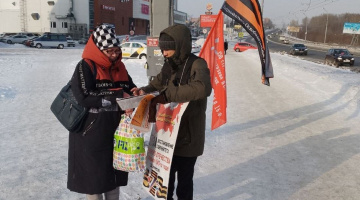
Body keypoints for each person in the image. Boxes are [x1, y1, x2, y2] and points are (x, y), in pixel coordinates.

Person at [133, 24, 212, 200]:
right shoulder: (169, 65)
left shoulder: (197, 64)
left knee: (184, 185)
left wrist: (168, 95)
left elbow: (203, 88)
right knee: (164, 182)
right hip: (167, 136)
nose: (164, 53)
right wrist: (144, 91)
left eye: (168, 48)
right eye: (162, 49)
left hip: (188, 136)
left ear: (180, 45)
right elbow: (157, 84)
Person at [67, 24, 137, 200]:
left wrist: (136, 92)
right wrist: (119, 95)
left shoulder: (120, 66)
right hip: (91, 131)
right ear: (99, 49)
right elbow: (85, 96)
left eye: (116, 50)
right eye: (109, 51)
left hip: (116, 130)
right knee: (94, 179)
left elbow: (128, 85)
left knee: (114, 176)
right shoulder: (85, 66)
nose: (114, 55)